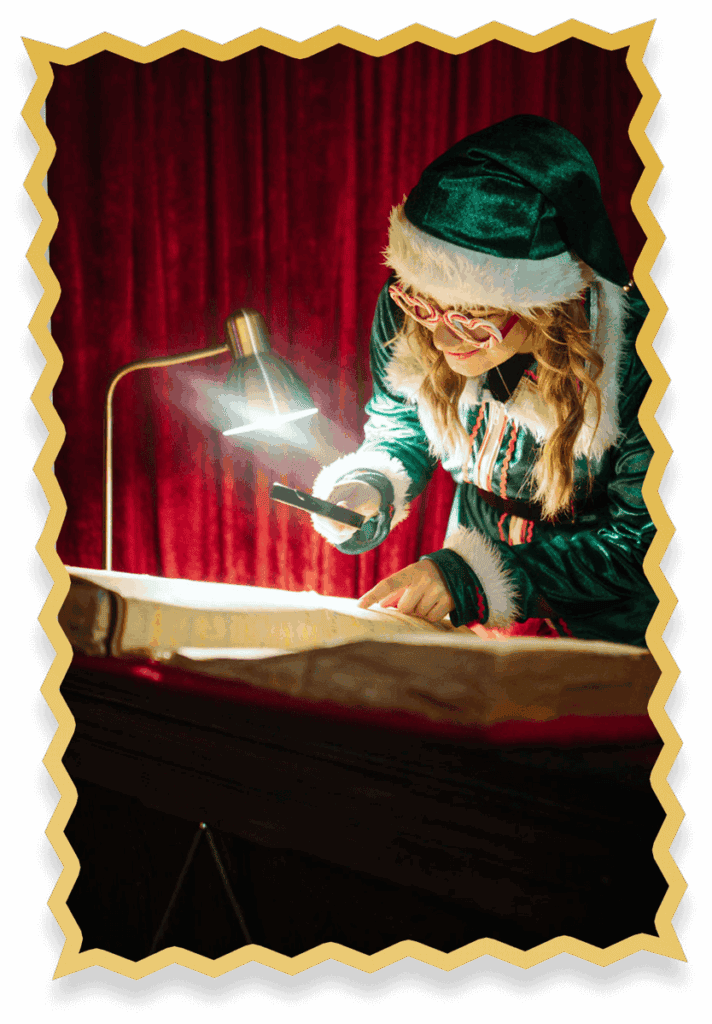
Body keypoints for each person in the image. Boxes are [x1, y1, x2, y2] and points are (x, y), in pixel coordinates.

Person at [309, 114, 656, 648]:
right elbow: (404, 420)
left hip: (615, 616)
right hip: (473, 580)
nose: (444, 340)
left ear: (546, 307)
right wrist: (368, 485)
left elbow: (644, 541)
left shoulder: (642, 356)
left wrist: (470, 577)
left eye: (472, 318)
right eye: (425, 306)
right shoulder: (409, 309)